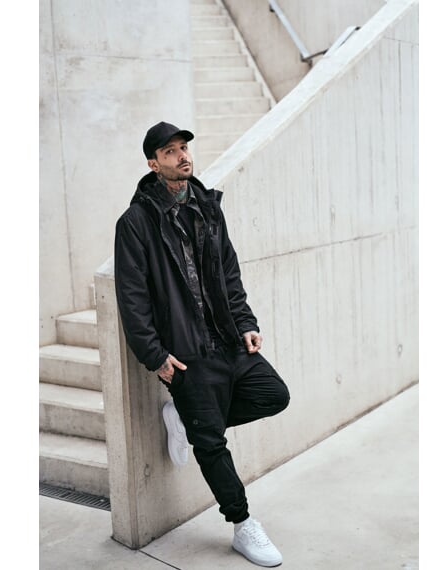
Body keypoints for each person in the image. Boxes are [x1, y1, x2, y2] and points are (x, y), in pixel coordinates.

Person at [114, 121, 290, 567]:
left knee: (274, 395)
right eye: (170, 152)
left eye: (184, 148)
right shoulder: (135, 223)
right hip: (185, 353)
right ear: (154, 164)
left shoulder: (208, 206)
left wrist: (245, 321)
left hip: (227, 340)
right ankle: (243, 524)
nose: (182, 156)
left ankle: (188, 419)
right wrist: (154, 355)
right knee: (211, 444)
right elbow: (132, 296)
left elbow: (229, 272)